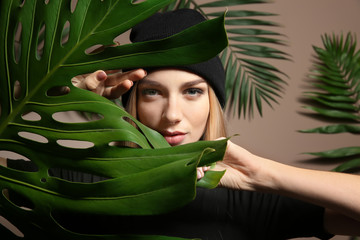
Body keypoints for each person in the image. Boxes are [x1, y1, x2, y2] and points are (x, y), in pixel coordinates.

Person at [2, 8, 360, 239]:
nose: (172, 114)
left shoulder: (248, 201)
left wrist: (262, 175)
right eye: (154, 93)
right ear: (132, 103)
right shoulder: (72, 181)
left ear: (212, 103)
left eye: (192, 92)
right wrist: (46, 91)